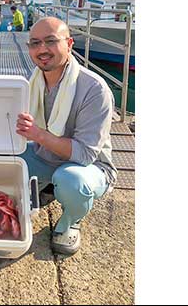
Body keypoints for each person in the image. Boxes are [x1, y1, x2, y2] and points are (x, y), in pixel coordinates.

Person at [15, 17, 116, 255]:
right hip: (46, 156)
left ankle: (71, 220)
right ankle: (46, 187)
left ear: (69, 43)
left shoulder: (94, 89)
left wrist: (38, 134)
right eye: (35, 43)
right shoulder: (33, 82)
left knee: (72, 182)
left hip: (90, 166)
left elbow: (84, 154)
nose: (42, 49)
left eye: (51, 41)